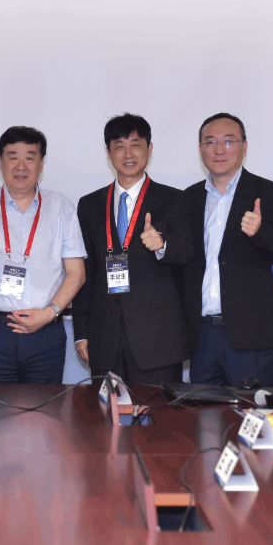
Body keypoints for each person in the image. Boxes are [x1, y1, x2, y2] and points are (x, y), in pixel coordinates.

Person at [0, 126, 86, 384]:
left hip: (46, 330)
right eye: (13, 157)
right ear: (0, 161)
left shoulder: (61, 208)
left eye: (29, 157)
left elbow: (76, 272)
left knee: (45, 408)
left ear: (41, 163)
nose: (21, 166)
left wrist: (50, 312)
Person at [73, 114, 193, 384]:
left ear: (150, 149)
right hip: (104, 338)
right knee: (105, 411)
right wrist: (82, 332)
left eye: (136, 145)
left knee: (158, 411)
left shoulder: (174, 199)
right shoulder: (89, 205)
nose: (128, 154)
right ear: (108, 153)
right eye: (119, 146)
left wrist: (163, 244)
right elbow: (85, 272)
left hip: (158, 340)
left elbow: (187, 252)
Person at [182, 113, 273, 387]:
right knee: (203, 411)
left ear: (244, 147)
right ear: (201, 150)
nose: (219, 150)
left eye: (229, 141)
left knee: (252, 411)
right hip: (202, 335)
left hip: (251, 335)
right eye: (211, 142)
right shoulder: (189, 198)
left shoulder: (268, 192)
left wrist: (260, 232)